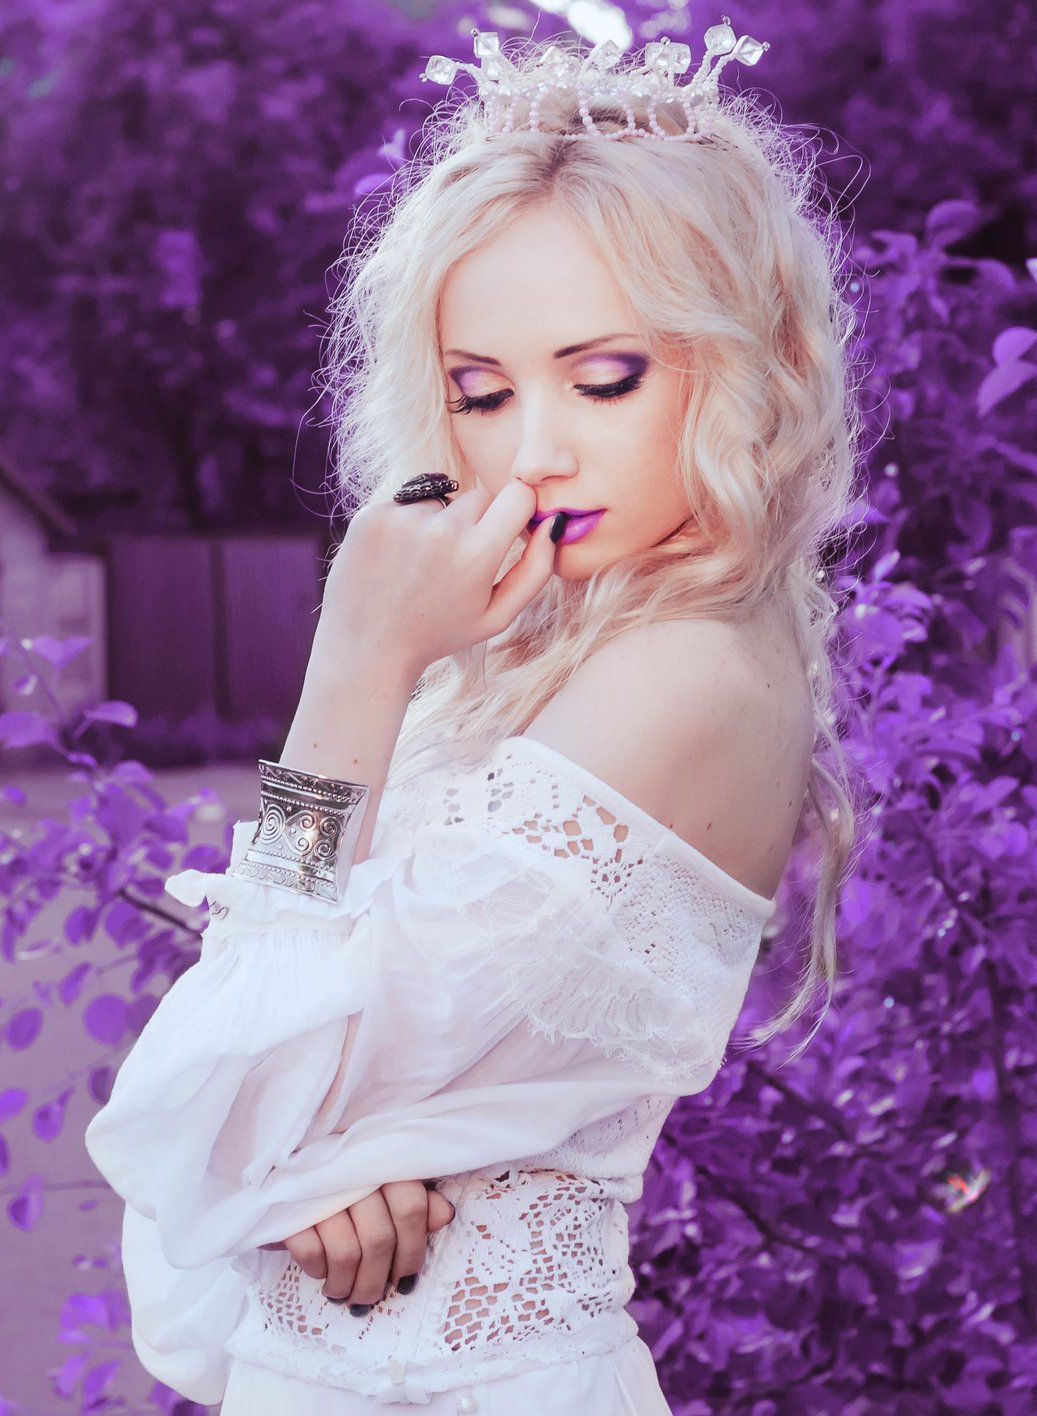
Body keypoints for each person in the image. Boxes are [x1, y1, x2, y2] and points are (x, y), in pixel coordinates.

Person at [83, 22, 868, 1414]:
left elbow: (238, 1101)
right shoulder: (541, 650)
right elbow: (251, 1096)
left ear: (753, 362)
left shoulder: (687, 674)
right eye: (481, 393)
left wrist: (354, 662)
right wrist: (315, 1159)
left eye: (604, 376)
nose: (532, 451)